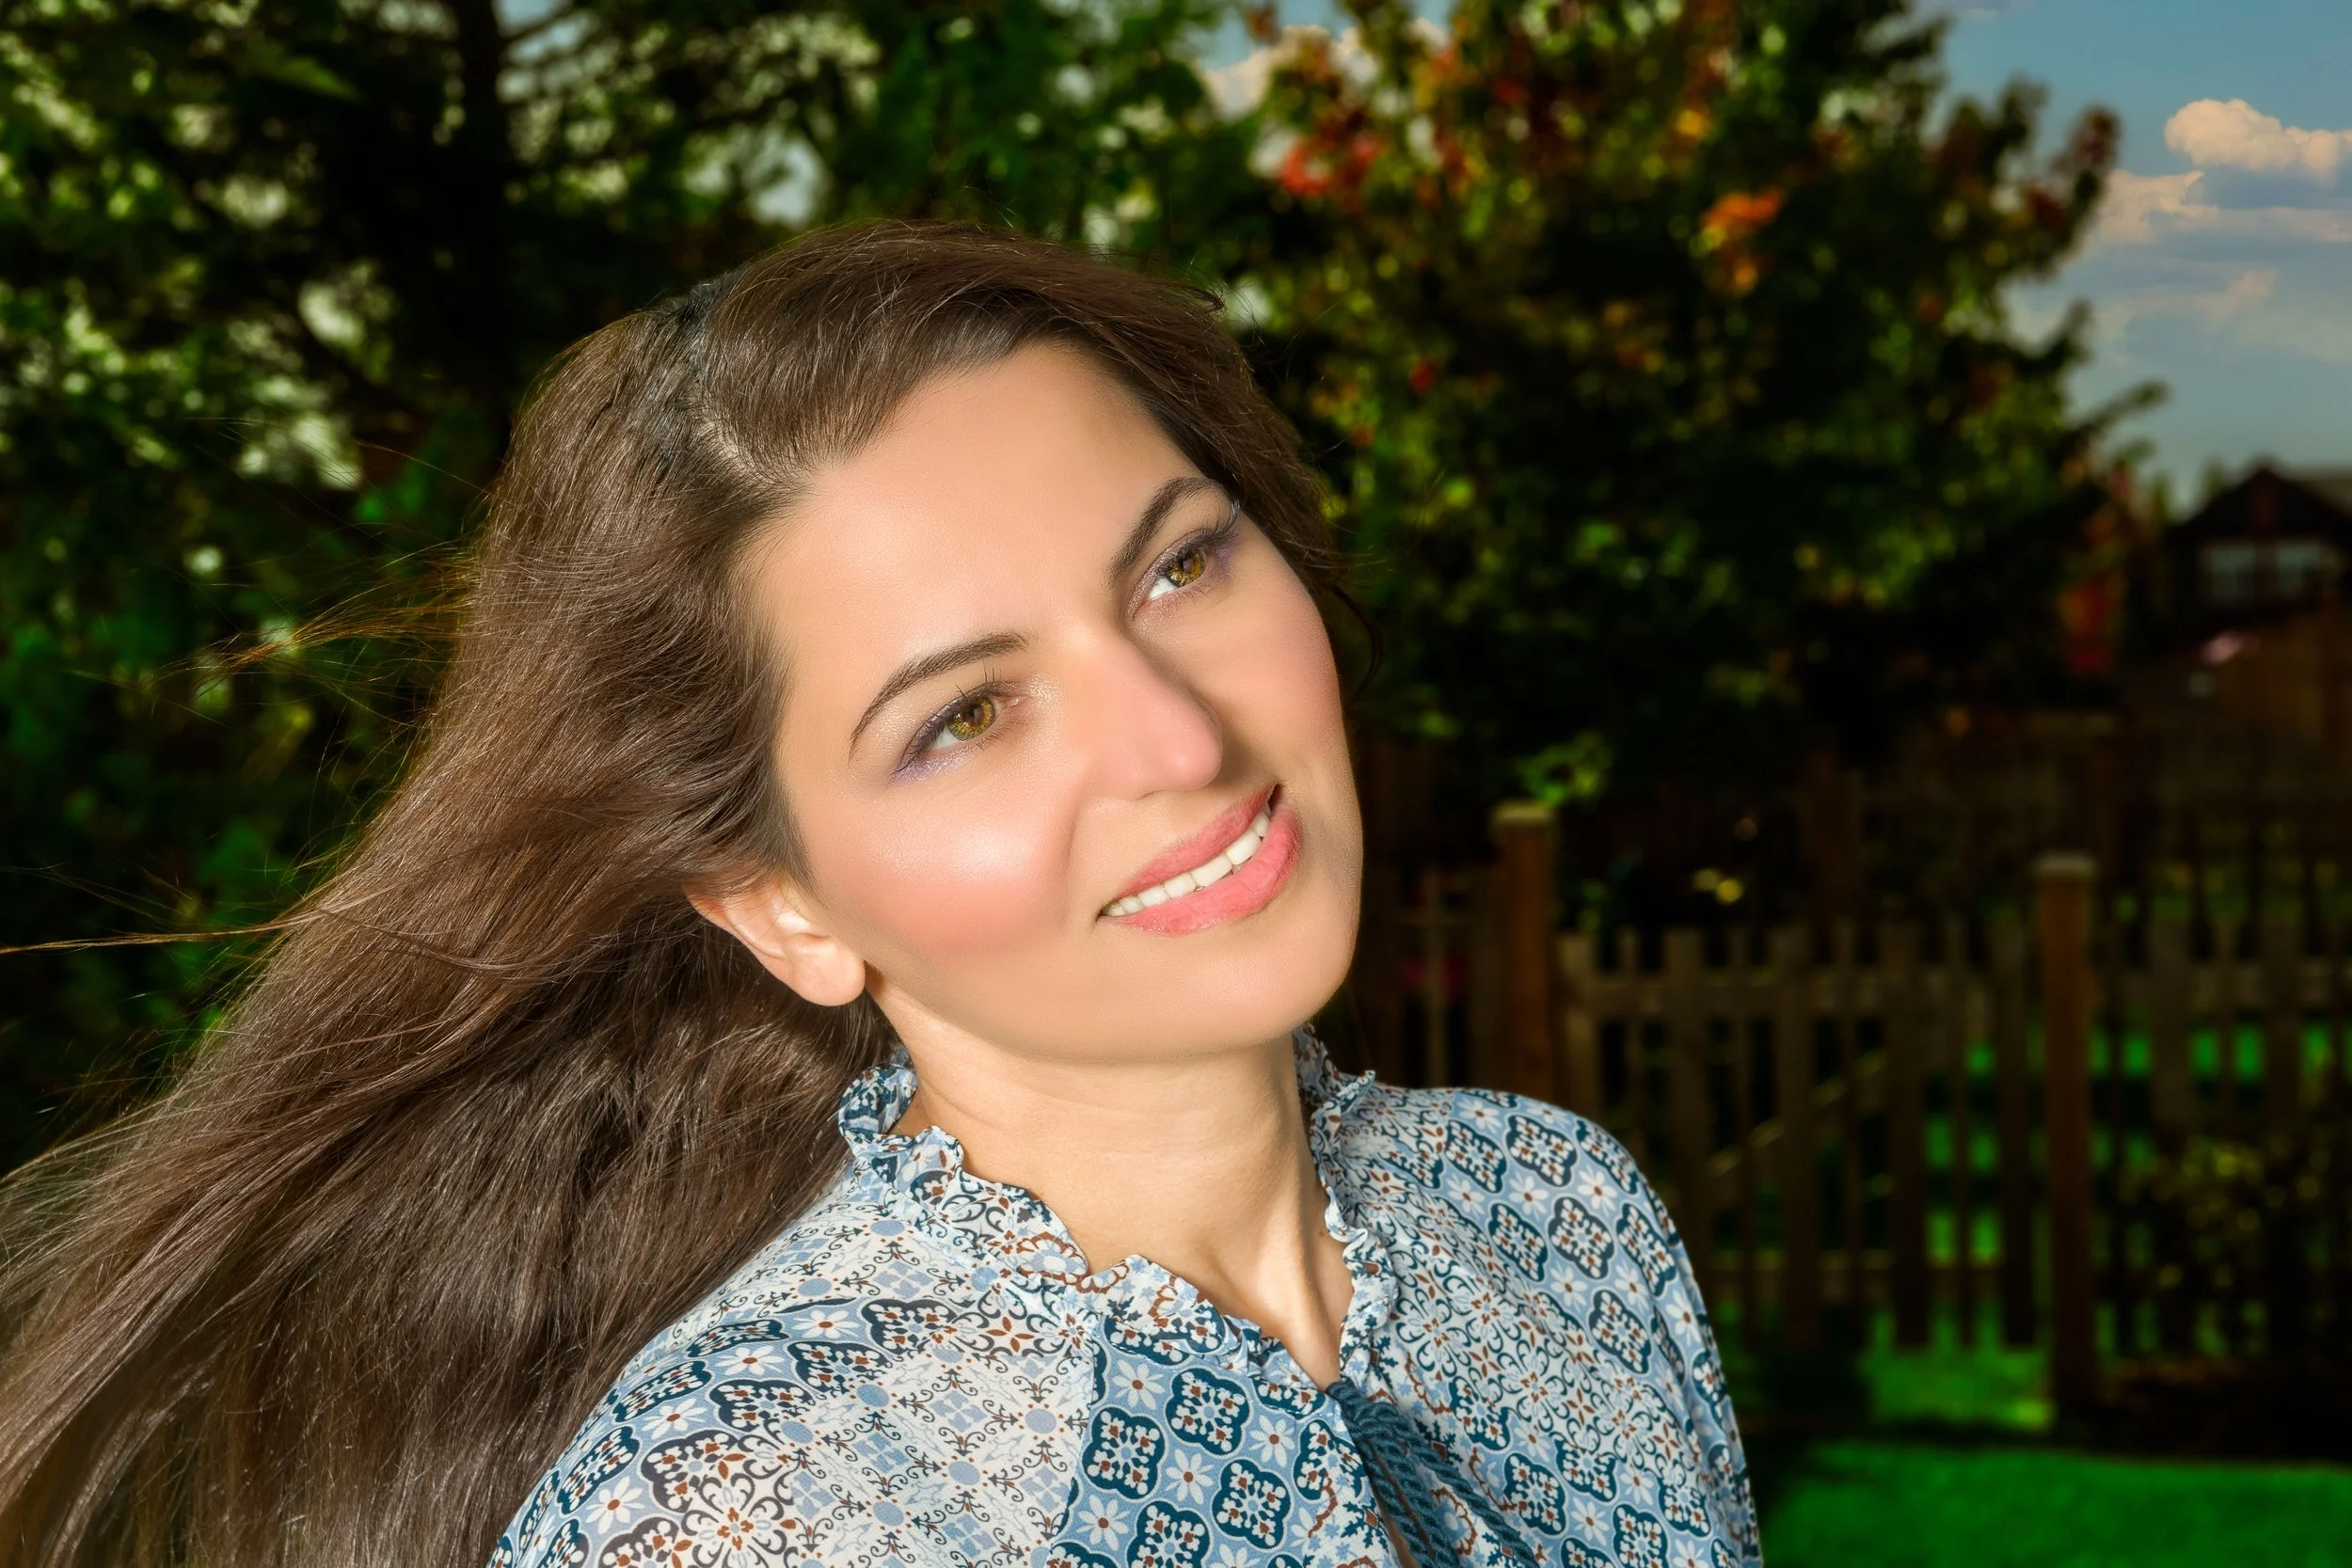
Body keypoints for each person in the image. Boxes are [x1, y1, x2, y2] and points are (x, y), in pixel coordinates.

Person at [0, 222, 1756, 1568]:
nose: (1179, 736)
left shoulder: (1566, 1213)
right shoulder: (746, 1511)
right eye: (965, 714)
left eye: (1179, 562)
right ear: (779, 903)